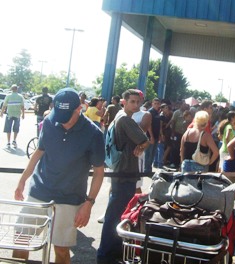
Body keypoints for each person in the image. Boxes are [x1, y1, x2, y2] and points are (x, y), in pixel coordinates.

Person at [13, 87, 105, 263]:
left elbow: (99, 172)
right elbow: (39, 152)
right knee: (21, 240)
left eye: (67, 117)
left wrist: (89, 203)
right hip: (41, 189)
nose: (62, 122)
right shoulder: (49, 121)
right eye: (59, 115)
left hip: (70, 195)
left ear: (80, 109)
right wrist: (23, 179)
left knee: (61, 248)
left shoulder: (93, 133)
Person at [97, 89, 149, 264]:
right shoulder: (126, 120)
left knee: (116, 213)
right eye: (132, 101)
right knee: (117, 215)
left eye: (138, 102)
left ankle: (111, 252)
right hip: (125, 172)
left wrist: (141, 145)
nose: (136, 104)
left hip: (120, 170)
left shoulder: (118, 117)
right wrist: (142, 145)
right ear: (124, 102)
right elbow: (145, 140)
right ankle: (107, 254)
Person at [144, 98, 161, 172]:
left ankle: (149, 168)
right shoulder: (150, 112)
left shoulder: (157, 112)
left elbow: (159, 124)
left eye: (158, 103)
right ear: (152, 104)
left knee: (153, 153)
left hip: (156, 135)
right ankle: (146, 169)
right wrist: (151, 136)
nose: (156, 105)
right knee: (148, 153)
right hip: (150, 136)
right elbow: (149, 125)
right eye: (155, 103)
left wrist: (160, 134)